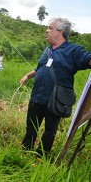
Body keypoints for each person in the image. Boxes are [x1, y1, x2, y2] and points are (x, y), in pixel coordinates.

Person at [20, 17, 91, 157]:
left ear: (61, 31)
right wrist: (27, 76)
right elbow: (40, 68)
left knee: (50, 131)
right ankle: (25, 151)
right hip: (37, 96)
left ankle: (41, 157)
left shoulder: (74, 50)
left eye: (50, 28)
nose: (46, 30)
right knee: (31, 127)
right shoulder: (47, 50)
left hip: (56, 100)